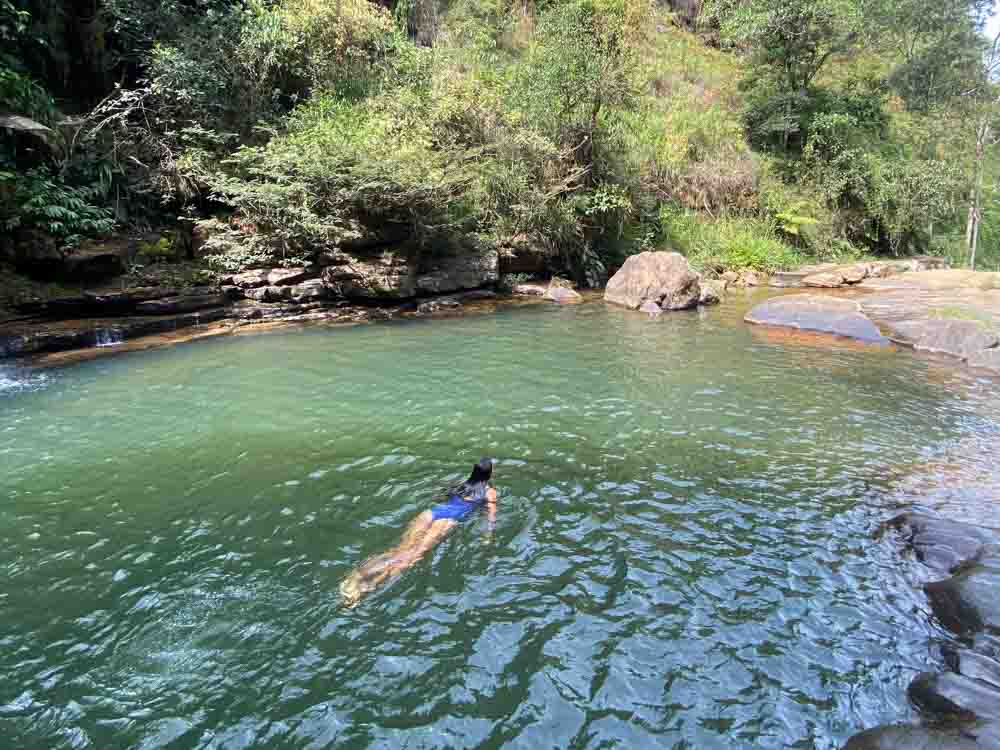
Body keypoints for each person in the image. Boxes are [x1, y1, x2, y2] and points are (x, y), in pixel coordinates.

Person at [339, 458, 497, 606]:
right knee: (411, 556)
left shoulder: (462, 483)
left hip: (431, 513)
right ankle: (365, 588)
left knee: (398, 550)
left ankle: (355, 577)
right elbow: (491, 515)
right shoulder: (489, 492)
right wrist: (488, 536)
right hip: (445, 522)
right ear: (489, 474)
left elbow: (443, 495)